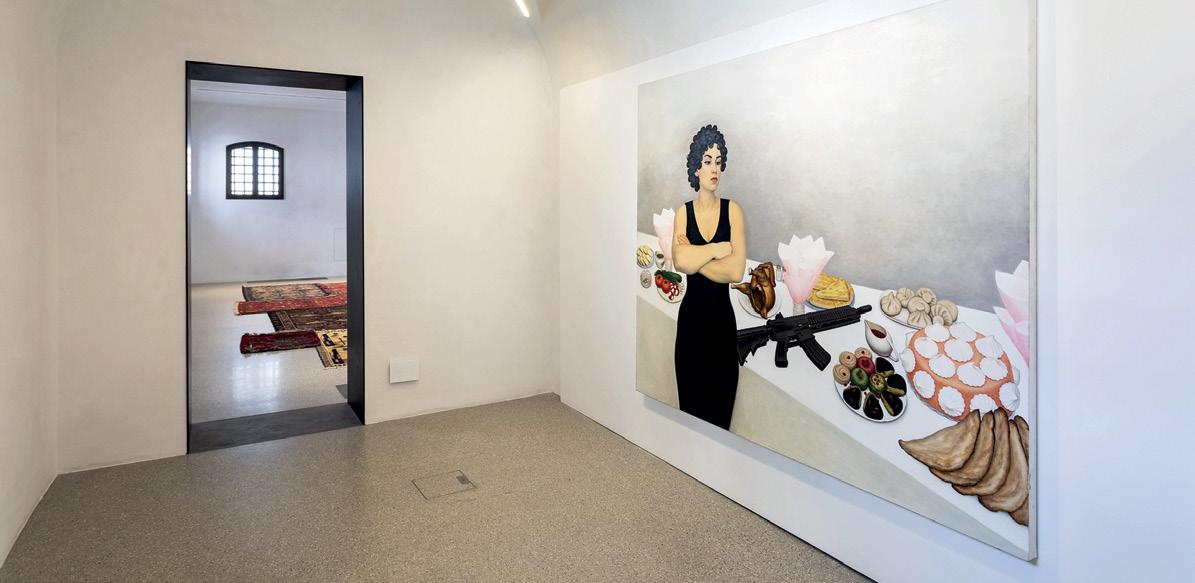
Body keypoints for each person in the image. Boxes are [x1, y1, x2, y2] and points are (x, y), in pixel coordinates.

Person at [670, 125, 746, 430]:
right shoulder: (683, 212)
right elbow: (679, 261)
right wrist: (715, 249)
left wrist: (695, 259)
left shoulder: (733, 211)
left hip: (722, 326)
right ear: (696, 169)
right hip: (691, 325)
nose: (714, 168)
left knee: (720, 415)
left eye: (718, 161)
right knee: (689, 411)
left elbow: (735, 271)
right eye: (707, 161)